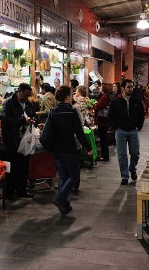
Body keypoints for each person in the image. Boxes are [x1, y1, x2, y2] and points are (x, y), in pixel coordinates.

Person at [46, 85, 92, 214]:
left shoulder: (53, 111)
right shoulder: (72, 112)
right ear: (67, 97)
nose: (72, 97)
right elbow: (79, 132)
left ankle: (64, 204)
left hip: (57, 148)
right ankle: (60, 198)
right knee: (73, 174)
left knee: (63, 176)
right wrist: (87, 146)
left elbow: (48, 131)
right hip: (69, 147)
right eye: (71, 95)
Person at [0, 83, 36, 200]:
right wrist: (22, 121)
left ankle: (22, 190)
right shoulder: (8, 103)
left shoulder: (28, 103)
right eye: (24, 96)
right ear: (19, 92)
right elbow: (4, 120)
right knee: (12, 167)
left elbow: (33, 115)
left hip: (25, 139)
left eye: (28, 96)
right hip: (12, 140)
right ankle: (10, 192)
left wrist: (33, 120)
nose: (26, 99)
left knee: (23, 166)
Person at [108, 79, 145, 185]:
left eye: (132, 87)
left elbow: (141, 115)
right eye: (128, 87)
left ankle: (132, 168)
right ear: (123, 88)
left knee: (135, 153)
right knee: (122, 155)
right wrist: (116, 127)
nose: (131, 89)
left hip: (133, 130)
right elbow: (110, 116)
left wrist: (139, 126)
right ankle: (124, 176)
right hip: (120, 131)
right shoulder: (115, 101)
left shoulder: (136, 101)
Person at [93, 85, 111, 161]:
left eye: (101, 87)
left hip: (102, 121)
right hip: (104, 120)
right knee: (104, 138)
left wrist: (95, 106)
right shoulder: (107, 96)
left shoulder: (104, 96)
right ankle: (105, 155)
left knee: (103, 138)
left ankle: (104, 156)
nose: (100, 88)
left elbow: (98, 106)